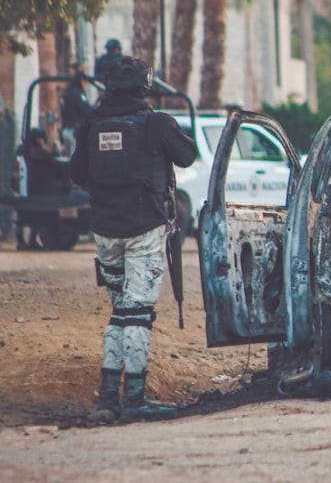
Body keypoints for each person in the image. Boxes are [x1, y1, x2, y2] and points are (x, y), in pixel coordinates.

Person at [71, 56, 196, 422]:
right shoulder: (156, 123)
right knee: (138, 314)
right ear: (146, 87)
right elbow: (188, 156)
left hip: (104, 232)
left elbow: (78, 173)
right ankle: (136, 399)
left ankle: (108, 399)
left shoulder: (92, 123)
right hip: (144, 230)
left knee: (120, 311)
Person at [60, 64, 93, 156]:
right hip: (75, 131)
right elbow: (86, 110)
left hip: (69, 129)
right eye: (85, 82)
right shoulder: (77, 94)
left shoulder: (68, 92)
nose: (86, 84)